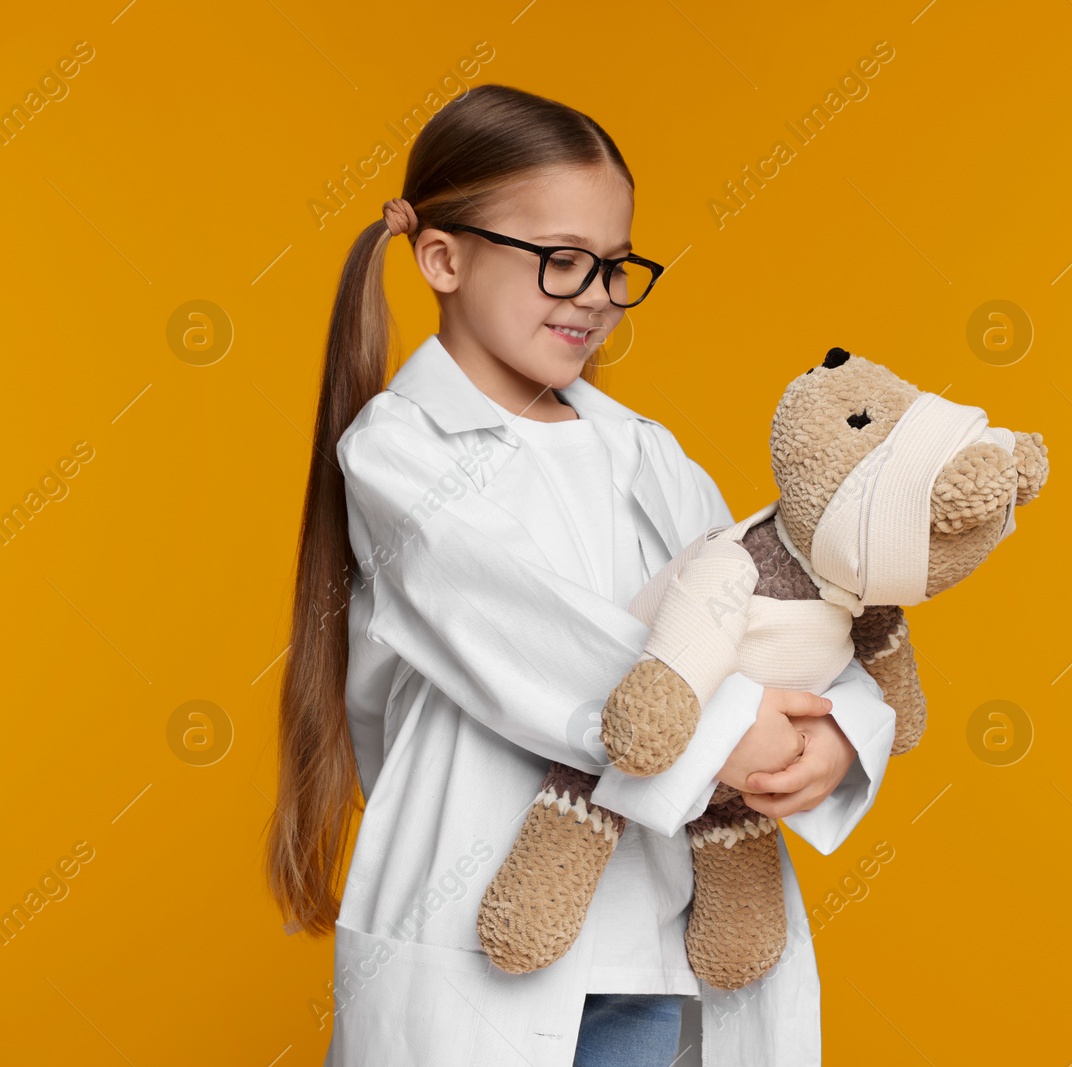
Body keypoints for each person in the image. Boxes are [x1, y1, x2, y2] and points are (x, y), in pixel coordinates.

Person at [265, 84, 896, 1067]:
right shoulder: (399, 453)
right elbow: (534, 639)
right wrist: (735, 729)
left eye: (613, 267)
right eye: (562, 261)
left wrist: (843, 732)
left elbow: (764, 606)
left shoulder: (644, 452)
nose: (595, 295)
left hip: (660, 944)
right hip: (480, 948)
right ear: (443, 256)